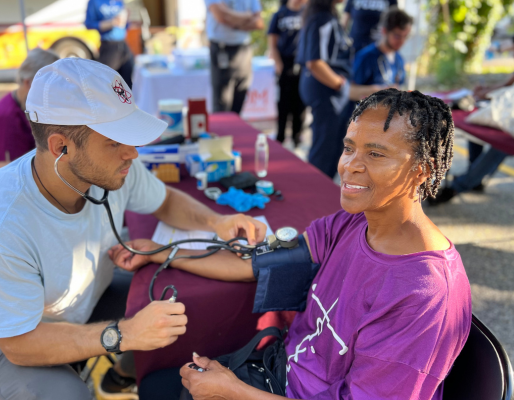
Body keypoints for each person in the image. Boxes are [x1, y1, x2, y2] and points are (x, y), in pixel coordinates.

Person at [112, 89, 471, 400]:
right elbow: (253, 263)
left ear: (421, 171)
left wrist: (232, 391)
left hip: (275, 386)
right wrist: (164, 252)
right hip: (279, 374)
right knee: (161, 383)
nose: (350, 166)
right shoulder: (349, 224)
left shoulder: (424, 294)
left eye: (375, 154)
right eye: (349, 148)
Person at [0, 58, 267, 400]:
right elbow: (18, 344)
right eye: (116, 141)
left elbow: (164, 201)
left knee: (186, 301)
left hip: (87, 294)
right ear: (61, 147)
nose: (133, 153)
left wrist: (216, 221)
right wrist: (124, 334)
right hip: (12, 331)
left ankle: (120, 377)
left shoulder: (105, 167)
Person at [297, 0, 382, 179]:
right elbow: (314, 62)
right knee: (324, 152)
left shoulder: (329, 15)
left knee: (336, 148)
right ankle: (315, 194)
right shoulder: (321, 18)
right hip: (326, 93)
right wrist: (341, 86)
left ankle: (322, 191)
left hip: (332, 94)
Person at [0, 48, 59, 191]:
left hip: (28, 177)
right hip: (0, 195)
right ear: (28, 83)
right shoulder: (1, 118)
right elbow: (7, 179)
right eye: (50, 87)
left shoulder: (28, 106)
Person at [205, 0, 264, 114]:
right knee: (222, 102)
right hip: (221, 48)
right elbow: (221, 16)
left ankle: (235, 129)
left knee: (240, 96)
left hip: (243, 49)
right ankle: (221, 132)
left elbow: (259, 22)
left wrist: (233, 21)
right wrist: (247, 16)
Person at [268, 0, 307, 147]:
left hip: (303, 65)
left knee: (300, 104)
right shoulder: (280, 14)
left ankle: (297, 137)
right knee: (283, 104)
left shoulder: (307, 12)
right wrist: (278, 64)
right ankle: (280, 137)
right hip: (285, 64)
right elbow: (272, 42)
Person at [352, 6, 412, 88]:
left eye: (405, 36)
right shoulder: (366, 58)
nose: (402, 41)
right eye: (397, 36)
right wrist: (375, 92)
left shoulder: (399, 60)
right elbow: (350, 90)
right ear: (384, 31)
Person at [85, 0, 135, 87]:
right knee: (108, 81)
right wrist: (111, 23)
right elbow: (89, 24)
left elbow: (125, 26)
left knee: (128, 80)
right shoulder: (94, 2)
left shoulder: (119, 1)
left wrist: (126, 19)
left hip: (123, 44)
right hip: (108, 45)